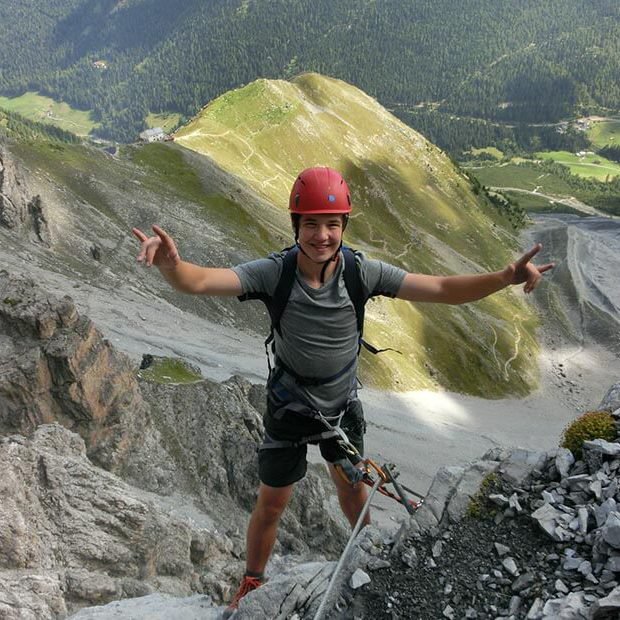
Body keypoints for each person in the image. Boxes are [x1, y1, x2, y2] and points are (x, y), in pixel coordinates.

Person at [132, 166, 554, 613]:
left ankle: (363, 559)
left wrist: (504, 277)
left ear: (344, 227)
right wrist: (172, 267)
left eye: (332, 224)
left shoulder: (360, 271)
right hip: (290, 403)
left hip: (339, 404)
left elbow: (443, 289)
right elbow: (201, 281)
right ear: (296, 225)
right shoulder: (274, 273)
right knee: (272, 502)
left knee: (353, 491)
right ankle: (252, 581)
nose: (321, 235)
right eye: (310, 223)